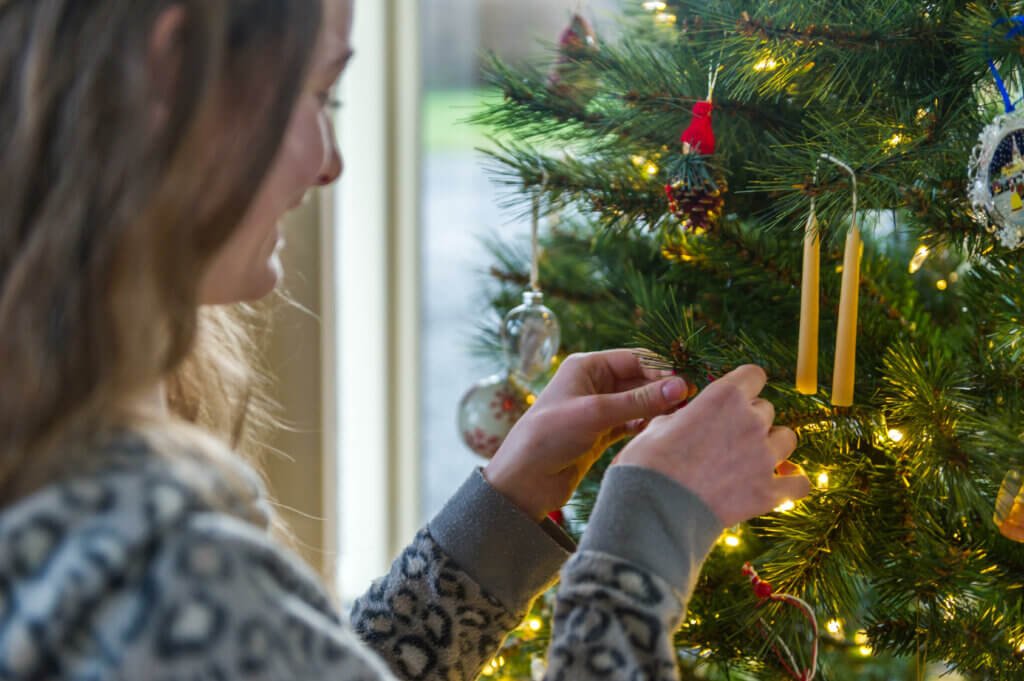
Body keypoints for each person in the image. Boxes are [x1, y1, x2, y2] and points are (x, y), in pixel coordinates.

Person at [0, 1, 812, 679]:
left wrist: (501, 511)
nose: (332, 163)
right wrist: (643, 541)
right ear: (172, 76)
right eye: (321, 97)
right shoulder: (149, 575)